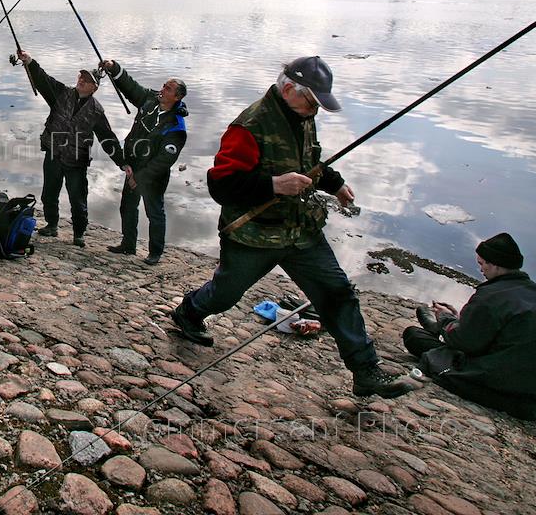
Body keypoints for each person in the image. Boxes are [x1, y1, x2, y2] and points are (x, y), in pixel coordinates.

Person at [170, 56, 414, 399]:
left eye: (318, 104)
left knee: (337, 293)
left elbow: (310, 161)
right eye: (312, 101)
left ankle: (365, 370)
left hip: (302, 232)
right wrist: (272, 185)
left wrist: (336, 184)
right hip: (253, 235)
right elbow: (220, 185)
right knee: (226, 293)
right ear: (288, 89)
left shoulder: (302, 116)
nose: (315, 110)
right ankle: (189, 311)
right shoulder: (249, 126)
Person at [402, 233, 536, 419]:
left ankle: (440, 327)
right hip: (535, 392)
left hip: (501, 387)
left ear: (495, 264)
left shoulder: (490, 296)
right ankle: (442, 328)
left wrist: (446, 319)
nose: (480, 269)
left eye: (482, 264)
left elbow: (465, 342)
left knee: (415, 337)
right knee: (445, 337)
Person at [15, 49, 122, 247]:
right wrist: (29, 61)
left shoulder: (97, 111)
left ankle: (79, 234)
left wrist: (123, 163)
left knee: (78, 200)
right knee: (49, 193)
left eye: (86, 80)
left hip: (76, 161)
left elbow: (108, 138)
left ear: (94, 88)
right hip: (54, 154)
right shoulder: (61, 93)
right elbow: (43, 79)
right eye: (81, 77)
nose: (81, 81)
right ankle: (52, 225)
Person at [100, 60, 188, 265]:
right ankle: (128, 244)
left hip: (153, 176)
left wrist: (139, 179)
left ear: (177, 97)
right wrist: (114, 68)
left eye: (168, 88)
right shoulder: (149, 100)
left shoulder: (177, 127)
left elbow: (164, 161)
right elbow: (131, 87)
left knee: (154, 212)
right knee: (127, 207)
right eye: (164, 85)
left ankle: (155, 252)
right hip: (134, 166)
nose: (162, 90)